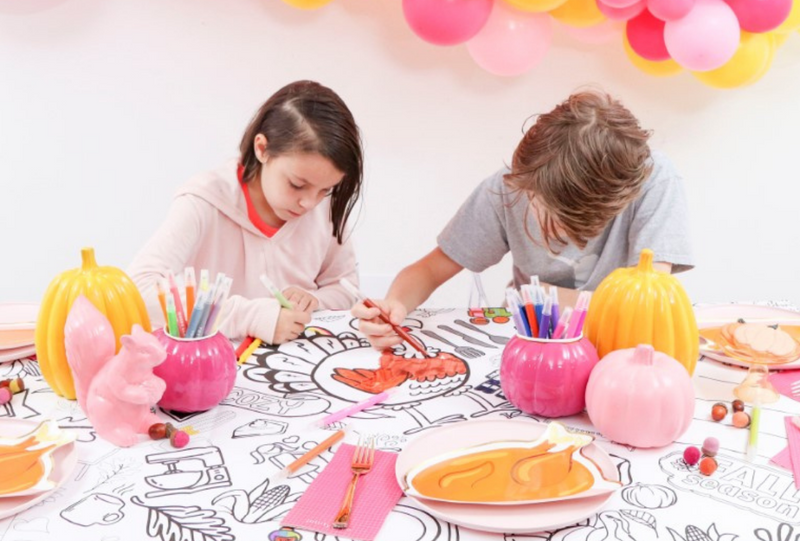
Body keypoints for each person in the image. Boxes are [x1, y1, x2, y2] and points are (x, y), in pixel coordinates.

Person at [352, 89, 693, 350]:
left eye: (555, 219)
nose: (537, 217)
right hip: (531, 342)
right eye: (535, 201)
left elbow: (645, 308)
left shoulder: (654, 181)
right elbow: (429, 270)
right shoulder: (515, 184)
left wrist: (542, 295)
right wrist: (395, 305)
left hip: (613, 352)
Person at [129, 80, 363, 345]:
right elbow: (139, 289)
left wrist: (315, 300)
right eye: (297, 185)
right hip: (216, 367)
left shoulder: (322, 208)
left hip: (298, 365)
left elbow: (346, 288)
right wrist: (250, 316)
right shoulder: (204, 201)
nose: (309, 203)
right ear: (262, 148)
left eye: (326, 190)